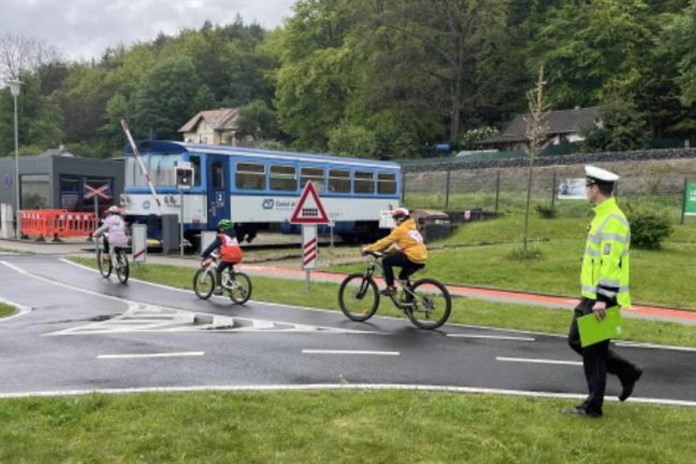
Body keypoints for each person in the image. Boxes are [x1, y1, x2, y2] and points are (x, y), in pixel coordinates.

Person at [565, 166, 643, 418]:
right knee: (576, 340)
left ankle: (592, 407)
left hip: (602, 298)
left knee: (595, 352)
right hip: (591, 295)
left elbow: (611, 264)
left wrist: (603, 299)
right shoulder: (601, 215)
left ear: (595, 189)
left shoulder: (613, 220)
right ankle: (626, 370)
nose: (586, 191)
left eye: (587, 187)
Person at [361, 208, 427, 296]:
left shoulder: (400, 229)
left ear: (400, 219)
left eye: (395, 219)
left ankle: (391, 287)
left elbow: (385, 241)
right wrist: (387, 252)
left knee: (386, 261)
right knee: (402, 276)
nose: (394, 221)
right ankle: (410, 299)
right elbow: (399, 246)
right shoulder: (411, 228)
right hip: (421, 258)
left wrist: (369, 248)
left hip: (412, 257)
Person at [201, 219, 244, 295]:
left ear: (223, 228)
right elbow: (226, 246)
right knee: (230, 265)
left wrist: (205, 253)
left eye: (220, 227)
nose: (219, 229)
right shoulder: (233, 236)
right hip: (238, 255)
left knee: (218, 270)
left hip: (229, 256)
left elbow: (212, 246)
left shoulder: (221, 236)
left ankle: (219, 288)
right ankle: (230, 282)